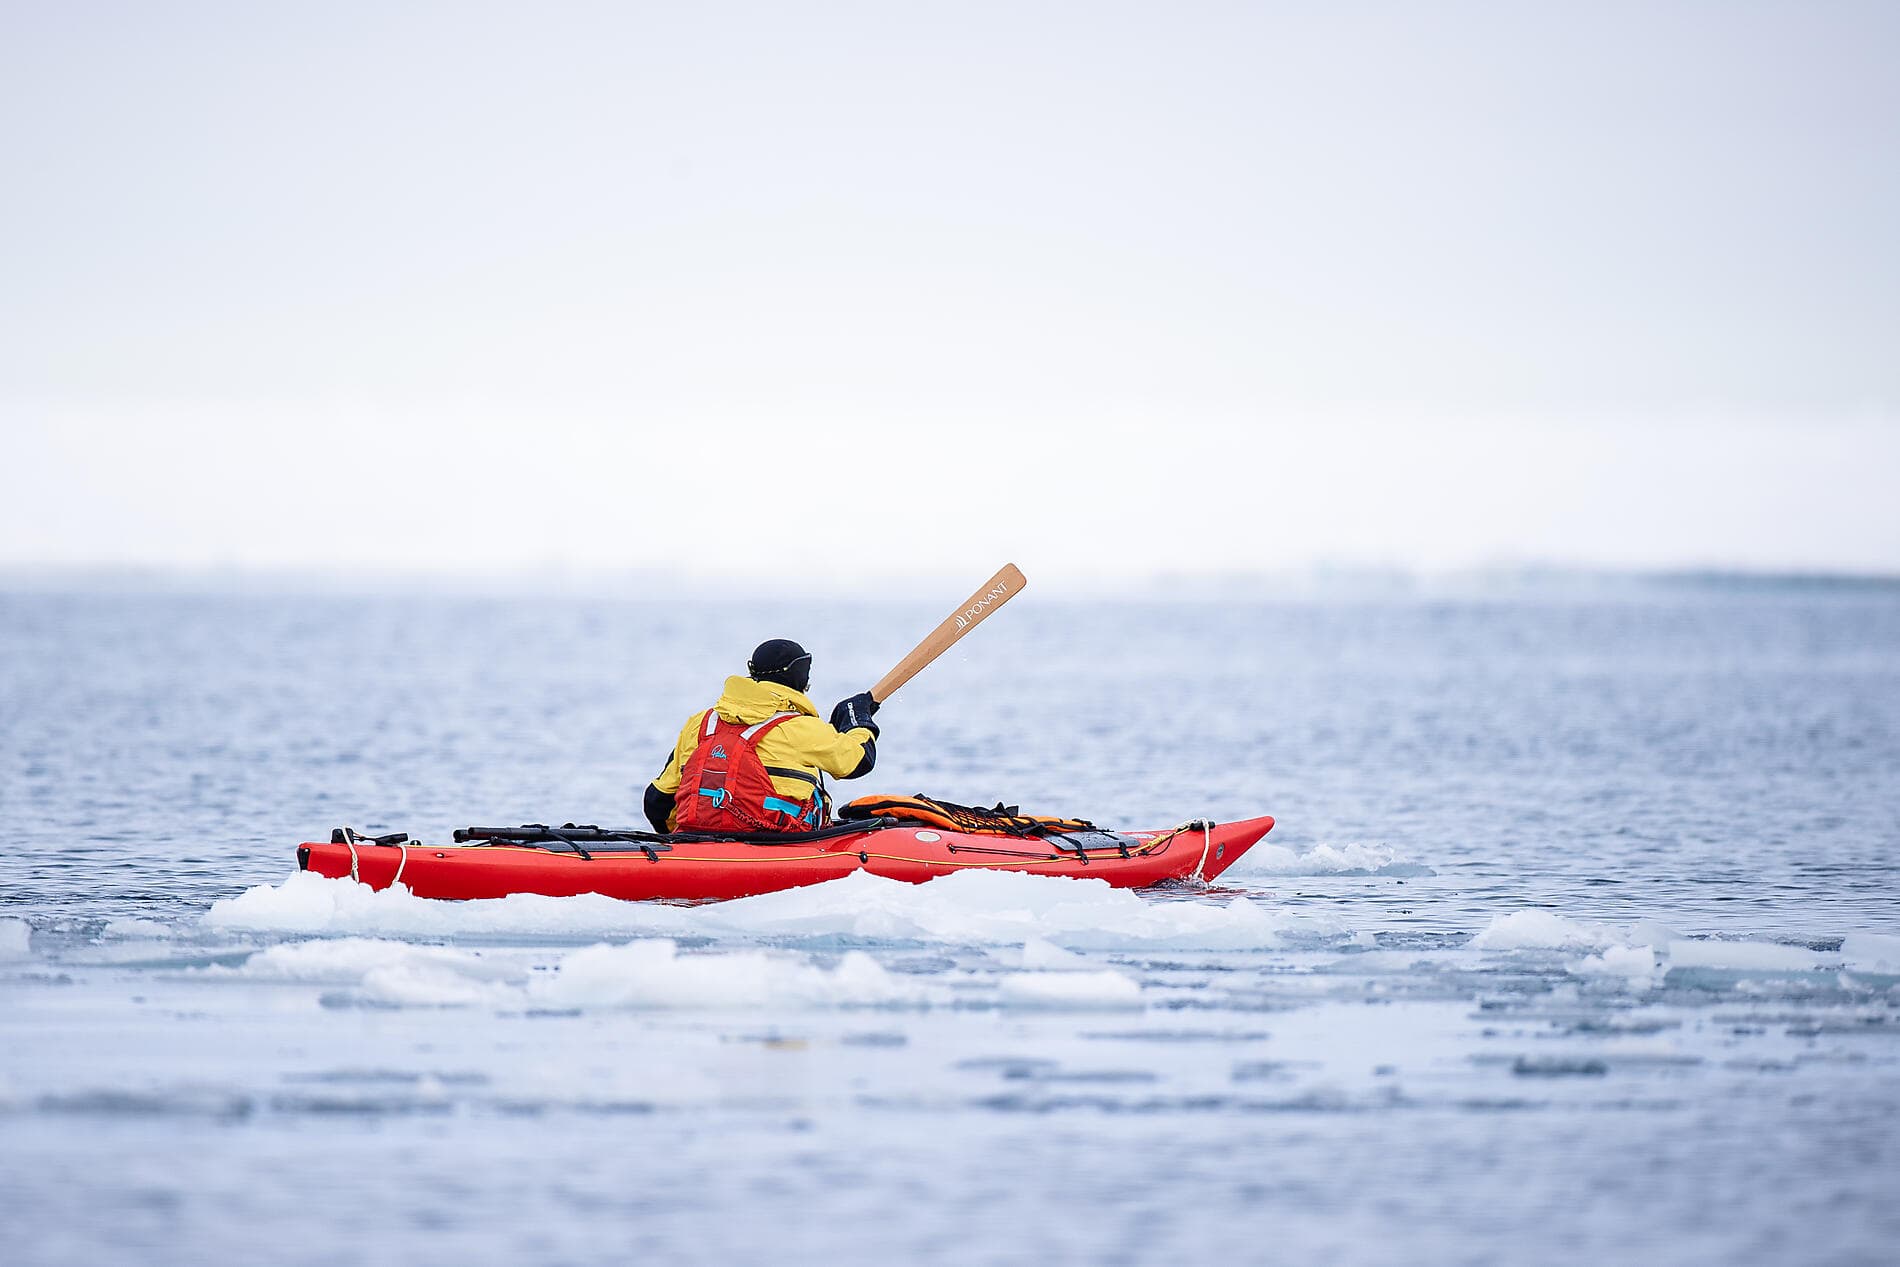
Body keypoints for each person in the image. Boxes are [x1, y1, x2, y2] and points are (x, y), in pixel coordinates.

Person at [643, 639, 880, 834]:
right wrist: (857, 719)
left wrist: (682, 848)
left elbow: (657, 802)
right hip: (773, 842)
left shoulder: (700, 723)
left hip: (694, 841)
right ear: (801, 679)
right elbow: (858, 761)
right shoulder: (802, 728)